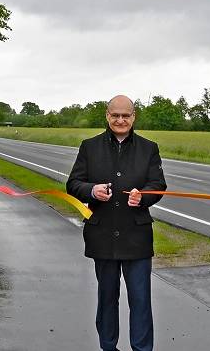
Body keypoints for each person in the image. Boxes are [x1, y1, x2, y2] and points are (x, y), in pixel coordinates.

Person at [66, 95, 167, 351]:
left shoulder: (149, 148)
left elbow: (158, 186)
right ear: (107, 116)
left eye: (126, 115)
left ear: (134, 117)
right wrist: (91, 190)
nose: (120, 120)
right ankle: (108, 346)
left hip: (137, 237)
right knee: (107, 299)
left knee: (141, 300)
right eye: (115, 115)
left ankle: (142, 348)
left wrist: (142, 196)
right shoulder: (89, 147)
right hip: (103, 236)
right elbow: (73, 184)